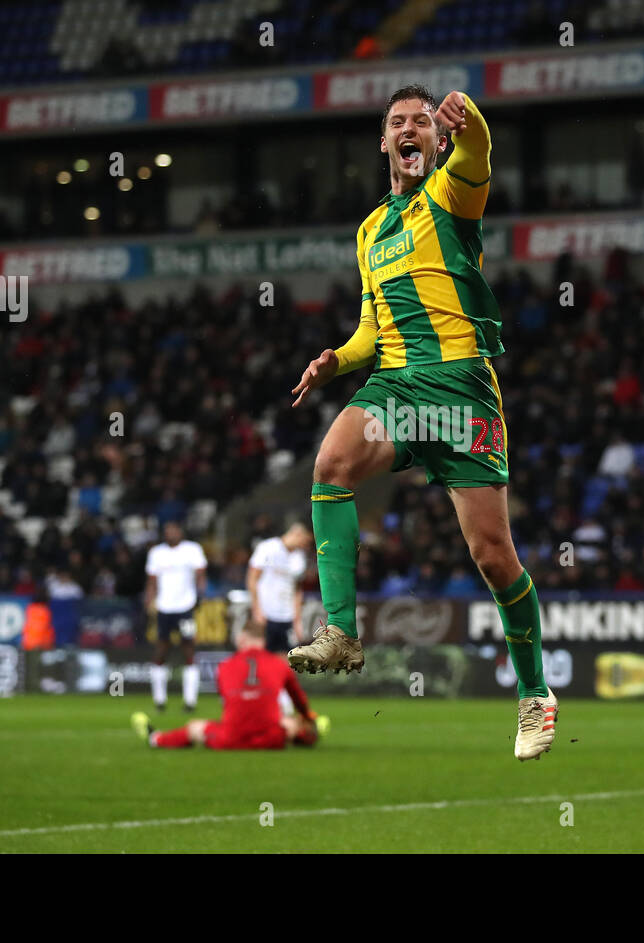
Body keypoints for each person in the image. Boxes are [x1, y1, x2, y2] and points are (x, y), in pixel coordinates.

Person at [287, 85, 557, 761]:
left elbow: (481, 149)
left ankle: (534, 693)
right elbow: (370, 330)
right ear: (384, 143)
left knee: (494, 558)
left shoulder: (452, 194)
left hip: (462, 389)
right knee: (330, 464)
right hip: (398, 386)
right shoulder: (370, 230)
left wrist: (469, 116)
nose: (410, 130)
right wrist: (335, 360)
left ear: (434, 142)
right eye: (397, 124)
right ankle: (342, 632)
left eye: (421, 123)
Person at [131, 622, 322, 750]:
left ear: (241, 640)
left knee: (194, 727)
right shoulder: (279, 663)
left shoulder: (225, 666)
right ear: (262, 642)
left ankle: (156, 738)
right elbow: (299, 699)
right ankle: (311, 734)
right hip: (271, 739)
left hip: (231, 739)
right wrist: (306, 717)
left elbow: (228, 704)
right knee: (291, 723)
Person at [144, 521, 207, 712]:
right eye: (168, 530)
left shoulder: (192, 549)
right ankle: (159, 700)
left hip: (185, 607)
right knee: (161, 649)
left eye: (174, 530)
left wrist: (199, 595)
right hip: (164, 607)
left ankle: (190, 701)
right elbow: (152, 581)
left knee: (188, 649)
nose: (171, 533)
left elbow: (200, 574)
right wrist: (149, 603)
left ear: (181, 532)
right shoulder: (156, 553)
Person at [247, 522, 312, 653]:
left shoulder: (299, 557)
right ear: (297, 534)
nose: (305, 546)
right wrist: (256, 609)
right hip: (267, 612)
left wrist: (297, 619)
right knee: (265, 655)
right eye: (305, 541)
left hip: (287, 614)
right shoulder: (268, 548)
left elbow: (297, 590)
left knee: (288, 655)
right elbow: (252, 578)